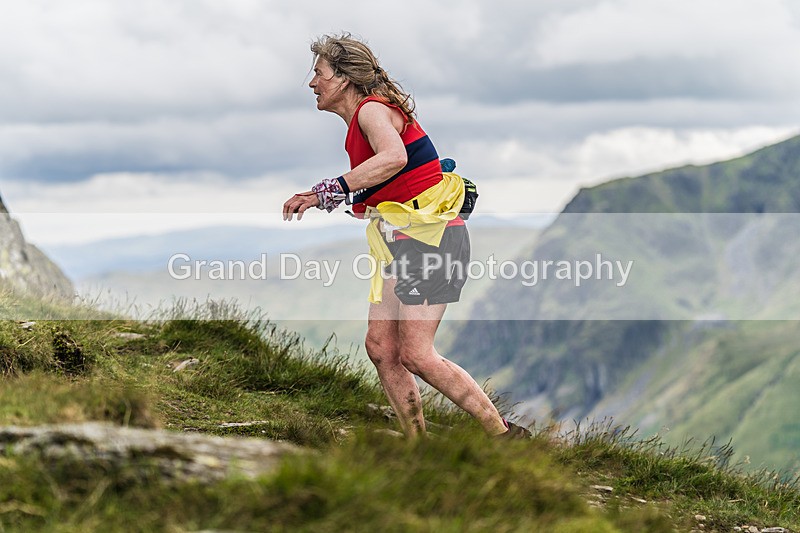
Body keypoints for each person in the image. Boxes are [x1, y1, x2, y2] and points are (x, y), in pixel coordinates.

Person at [282, 33, 530, 440]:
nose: (312, 83)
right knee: (381, 348)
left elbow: (394, 157)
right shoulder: (362, 120)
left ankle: (504, 437)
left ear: (343, 79)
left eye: (319, 73)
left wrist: (325, 191)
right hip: (403, 238)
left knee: (416, 353)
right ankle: (418, 445)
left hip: (431, 237)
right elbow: (394, 170)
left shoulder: (372, 111)